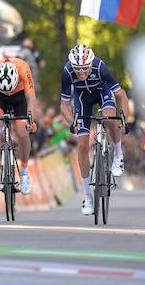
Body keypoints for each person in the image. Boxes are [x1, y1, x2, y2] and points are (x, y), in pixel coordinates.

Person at [60, 44, 129, 216]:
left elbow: (122, 96)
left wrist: (123, 119)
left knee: (109, 119)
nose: (81, 73)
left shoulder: (100, 67)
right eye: (78, 69)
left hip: (102, 93)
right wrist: (72, 122)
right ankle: (88, 196)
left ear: (90, 64)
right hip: (82, 99)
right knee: (82, 145)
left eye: (84, 69)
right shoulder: (68, 72)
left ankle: (118, 155)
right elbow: (64, 104)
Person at [0, 56, 37, 194]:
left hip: (20, 96)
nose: (8, 92)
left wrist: (30, 119)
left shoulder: (23, 68)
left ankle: (25, 173)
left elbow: (31, 98)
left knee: (22, 132)